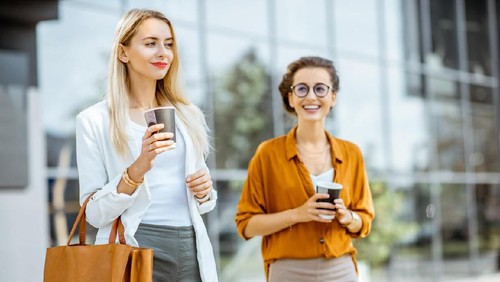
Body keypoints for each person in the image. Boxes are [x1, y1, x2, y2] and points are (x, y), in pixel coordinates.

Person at [76, 9, 218, 282]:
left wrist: (203, 191)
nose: (163, 52)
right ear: (123, 53)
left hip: (190, 243)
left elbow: (205, 202)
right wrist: (137, 168)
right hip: (135, 242)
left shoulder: (188, 115)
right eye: (151, 43)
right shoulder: (94, 120)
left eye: (169, 44)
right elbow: (93, 213)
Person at [235, 56, 375, 281]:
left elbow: (364, 222)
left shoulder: (352, 154)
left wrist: (347, 217)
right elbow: (246, 225)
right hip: (288, 271)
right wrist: (298, 214)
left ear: (333, 97)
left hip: (340, 270)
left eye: (320, 89)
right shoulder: (268, 154)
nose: (311, 96)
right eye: (302, 89)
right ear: (290, 98)